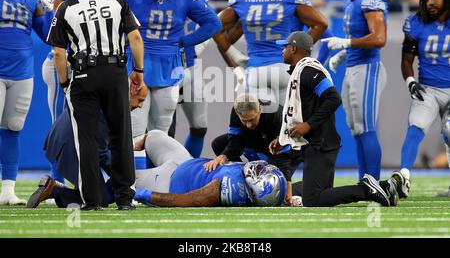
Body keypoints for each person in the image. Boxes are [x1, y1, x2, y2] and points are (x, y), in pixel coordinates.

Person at [46, 0, 144, 210]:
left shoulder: (66, 7)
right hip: (114, 72)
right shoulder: (116, 1)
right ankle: (125, 198)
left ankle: (93, 201)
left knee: (86, 140)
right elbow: (134, 36)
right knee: (120, 136)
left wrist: (65, 81)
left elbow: (58, 53)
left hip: (83, 75)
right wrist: (139, 70)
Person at [273, 31, 398, 207]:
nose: (283, 51)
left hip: (320, 143)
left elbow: (333, 98)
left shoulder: (309, 70)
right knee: (321, 196)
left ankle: (365, 190)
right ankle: (383, 187)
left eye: (285, 47)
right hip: (318, 142)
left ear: (293, 48)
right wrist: (283, 139)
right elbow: (296, 113)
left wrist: (309, 125)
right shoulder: (300, 70)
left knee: (313, 200)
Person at [113, 0, 221, 137]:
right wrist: (182, 43)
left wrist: (183, 42)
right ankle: (139, 168)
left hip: (160, 64)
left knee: (158, 135)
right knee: (136, 132)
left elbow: (213, 23)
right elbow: (213, 24)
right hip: (141, 64)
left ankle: (153, 167)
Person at [28, 130, 287, 208]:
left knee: (152, 138)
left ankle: (59, 190)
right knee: (151, 138)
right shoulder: (240, 188)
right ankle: (63, 189)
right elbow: (183, 200)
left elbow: (185, 199)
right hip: (175, 170)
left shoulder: (234, 184)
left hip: (174, 171)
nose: (261, 167)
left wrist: (140, 194)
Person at [214, 0, 328, 110]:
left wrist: (234, 58)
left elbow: (213, 27)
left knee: (258, 127)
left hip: (255, 71)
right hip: (285, 69)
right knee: (288, 127)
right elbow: (321, 23)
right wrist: (298, 51)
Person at [321, 0, 388, 182]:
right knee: (357, 130)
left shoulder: (371, 0)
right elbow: (360, 37)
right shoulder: (353, 2)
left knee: (367, 128)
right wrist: (344, 53)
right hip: (354, 66)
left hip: (367, 68)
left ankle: (374, 182)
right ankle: (364, 183)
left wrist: (347, 44)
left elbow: (379, 38)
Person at [27, 84, 148, 209]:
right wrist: (123, 174)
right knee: (97, 199)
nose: (140, 105)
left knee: (106, 184)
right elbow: (101, 152)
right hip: (70, 148)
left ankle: (72, 188)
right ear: (132, 91)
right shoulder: (111, 106)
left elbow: (105, 141)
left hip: (63, 140)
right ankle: (54, 190)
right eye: (140, 100)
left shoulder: (108, 95)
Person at [0, 0, 53, 205]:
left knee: (13, 128)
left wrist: (49, 10)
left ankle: (8, 190)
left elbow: (48, 36)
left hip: (22, 72)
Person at [390, 0, 450, 199]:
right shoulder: (416, 23)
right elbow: (406, 60)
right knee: (416, 127)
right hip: (429, 89)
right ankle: (404, 175)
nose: (430, 2)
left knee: (449, 131)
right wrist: (410, 82)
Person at [205, 93, 302, 202]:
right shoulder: (236, 112)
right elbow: (234, 141)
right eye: (244, 121)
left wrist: (287, 189)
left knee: (277, 189)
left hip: (288, 151)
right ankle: (241, 177)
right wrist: (224, 155)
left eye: (251, 119)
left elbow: (283, 158)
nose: (249, 125)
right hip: (258, 139)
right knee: (219, 144)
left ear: (260, 110)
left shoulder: (275, 114)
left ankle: (301, 188)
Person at [41, 0, 85, 184]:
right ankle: (55, 182)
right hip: (60, 63)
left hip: (72, 63)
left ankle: (69, 178)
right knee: (59, 124)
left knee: (71, 125)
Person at [172, 0, 210, 157]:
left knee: (199, 126)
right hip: (167, 64)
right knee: (161, 129)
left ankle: (185, 169)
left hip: (191, 65)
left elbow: (210, 25)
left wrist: (195, 47)